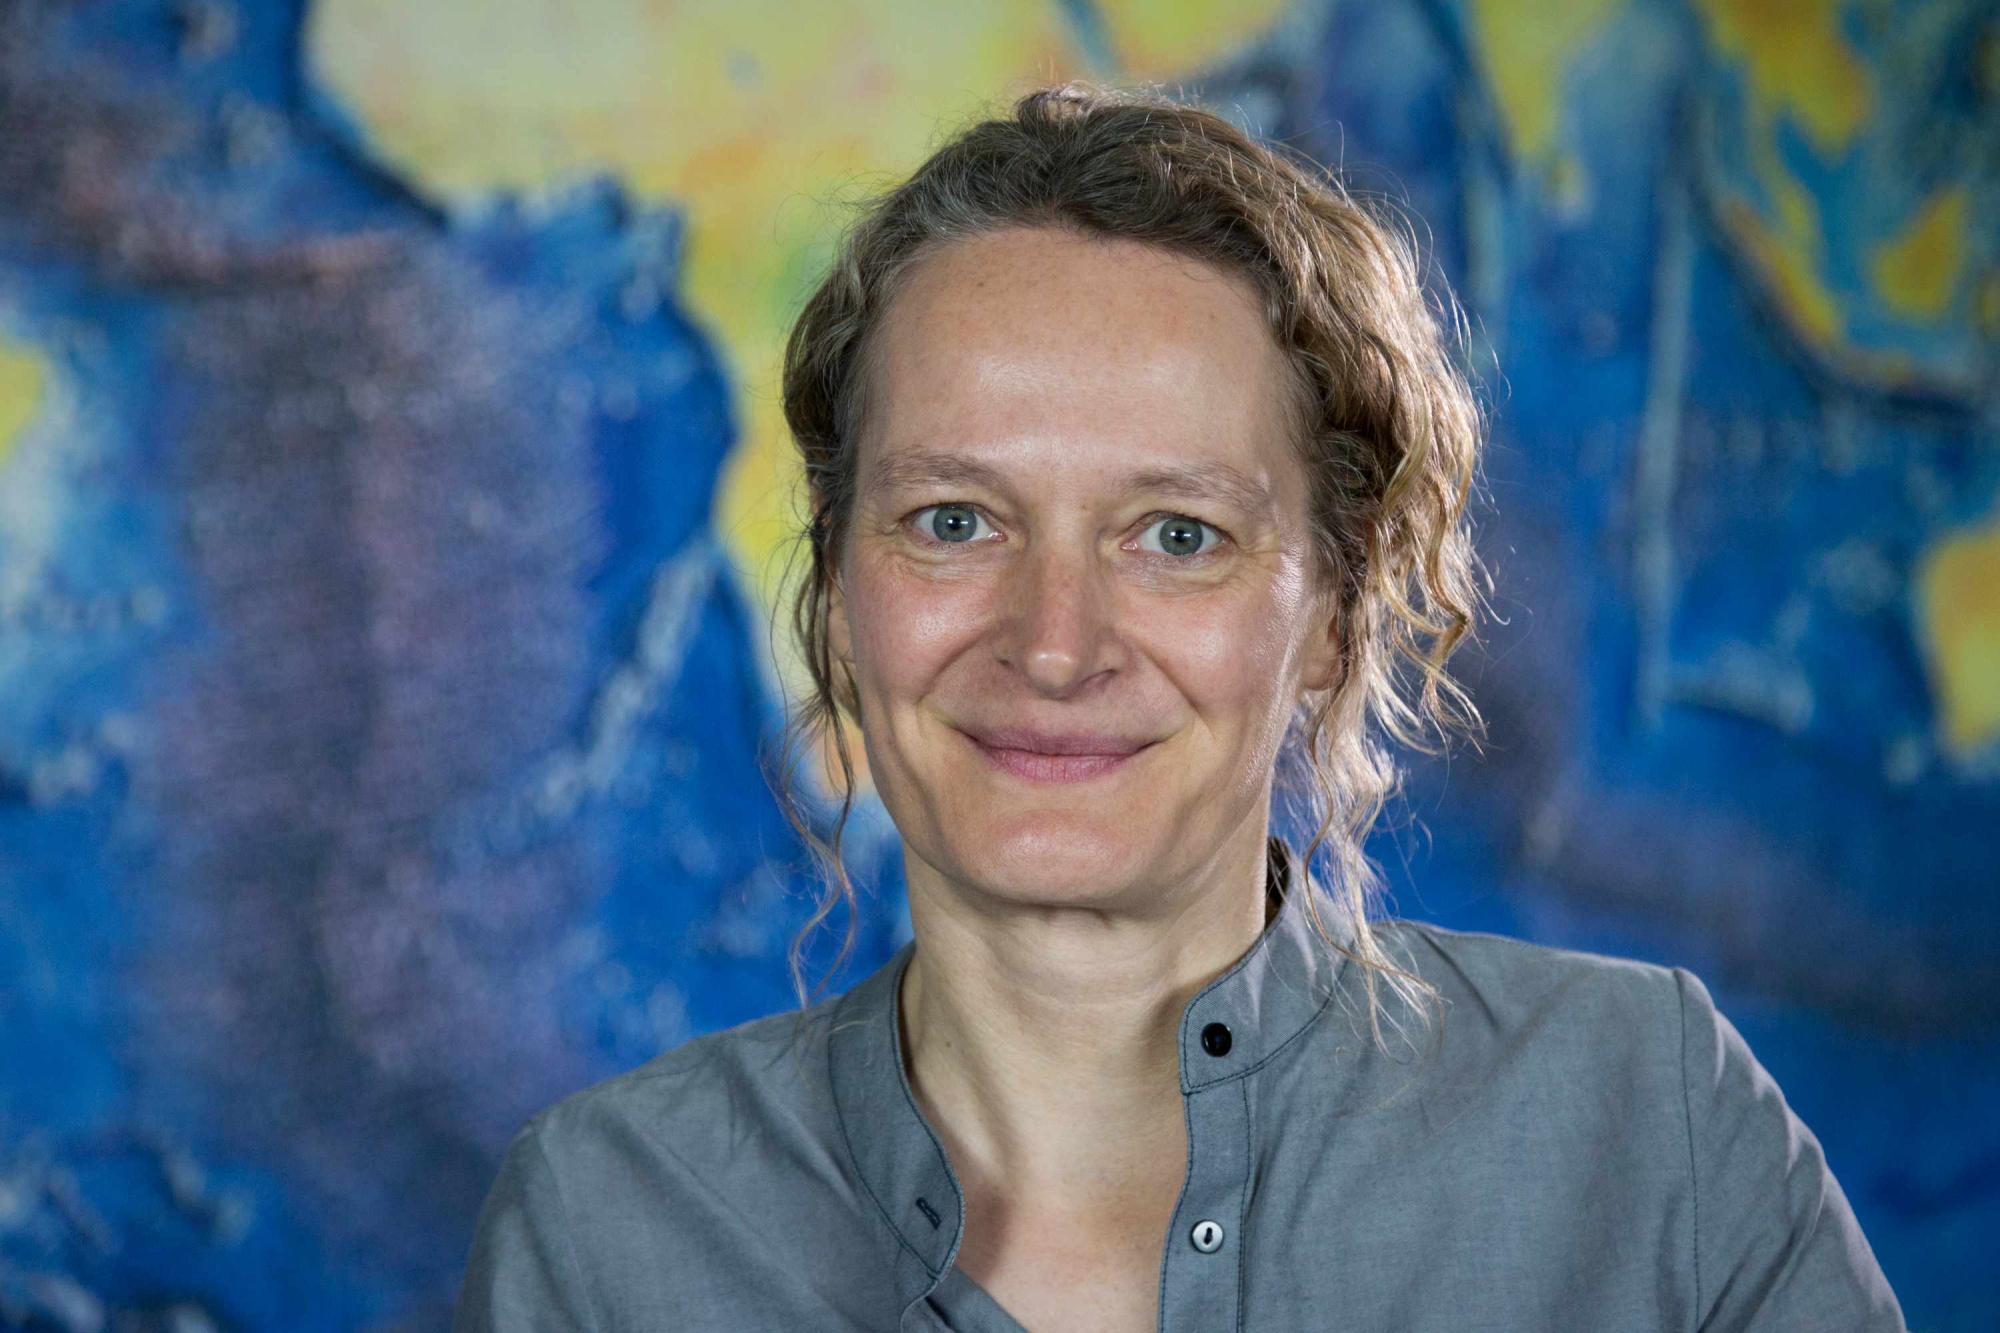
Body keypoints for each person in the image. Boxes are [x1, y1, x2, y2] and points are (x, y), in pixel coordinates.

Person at [452, 82, 1906, 1332]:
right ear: (837, 590)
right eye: (955, 521)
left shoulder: (1649, 1133)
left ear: (1335, 613)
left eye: (1177, 535)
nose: (1054, 645)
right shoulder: (611, 1225)